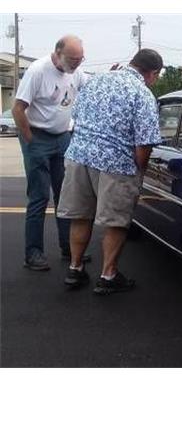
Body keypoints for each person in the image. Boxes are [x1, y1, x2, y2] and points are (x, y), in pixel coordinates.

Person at [56, 49, 163, 295]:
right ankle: (108, 275)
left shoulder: (96, 81)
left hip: (78, 156)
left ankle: (75, 269)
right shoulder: (142, 94)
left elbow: (76, 117)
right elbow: (144, 143)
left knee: (80, 216)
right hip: (115, 163)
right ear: (153, 73)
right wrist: (140, 171)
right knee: (116, 222)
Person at [12, 35, 91, 271]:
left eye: (80, 59)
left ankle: (68, 248)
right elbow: (18, 109)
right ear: (58, 53)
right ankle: (33, 253)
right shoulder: (38, 71)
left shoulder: (75, 72)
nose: (77, 63)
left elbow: (92, 87)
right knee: (39, 196)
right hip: (37, 137)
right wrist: (30, 141)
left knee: (65, 196)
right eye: (73, 59)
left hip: (62, 138)